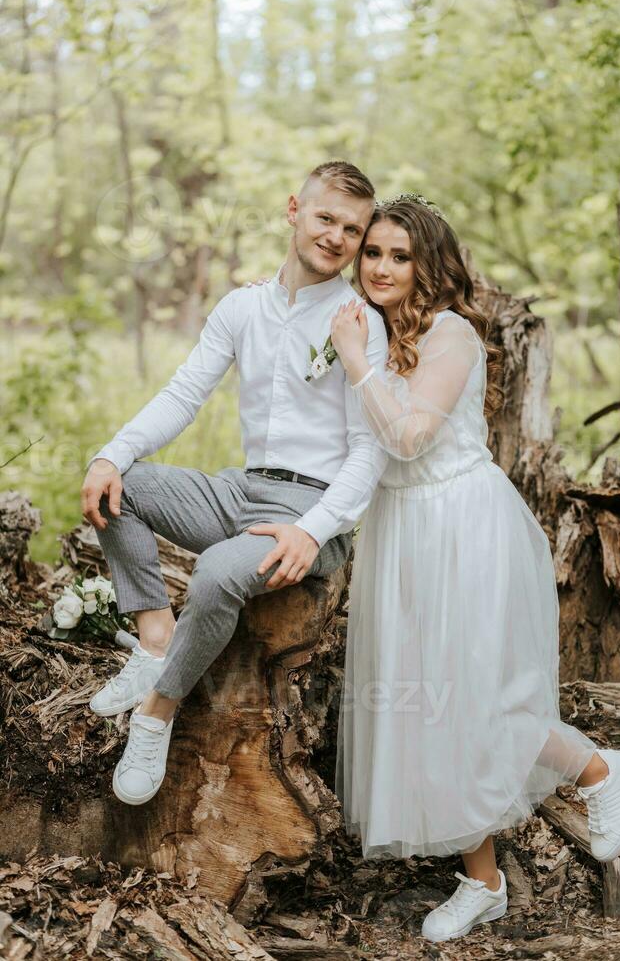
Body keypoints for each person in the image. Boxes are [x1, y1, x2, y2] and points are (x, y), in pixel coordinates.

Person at [328, 195, 620, 944]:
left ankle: (599, 768)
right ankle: (484, 880)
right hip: (400, 530)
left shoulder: (452, 334)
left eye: (399, 256)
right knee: (426, 701)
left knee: (476, 695)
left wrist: (356, 363)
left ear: (429, 263)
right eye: (372, 252)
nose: (380, 267)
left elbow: (406, 438)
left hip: (462, 525)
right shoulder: (367, 327)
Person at [81, 161, 390, 806]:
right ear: (293, 211)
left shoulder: (360, 322)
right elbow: (184, 393)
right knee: (124, 486)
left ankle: (157, 712)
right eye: (325, 217)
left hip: (312, 509)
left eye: (352, 230)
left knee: (218, 572)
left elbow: (370, 452)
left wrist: (314, 530)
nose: (335, 237)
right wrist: (111, 453)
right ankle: (155, 642)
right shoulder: (242, 306)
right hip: (242, 490)